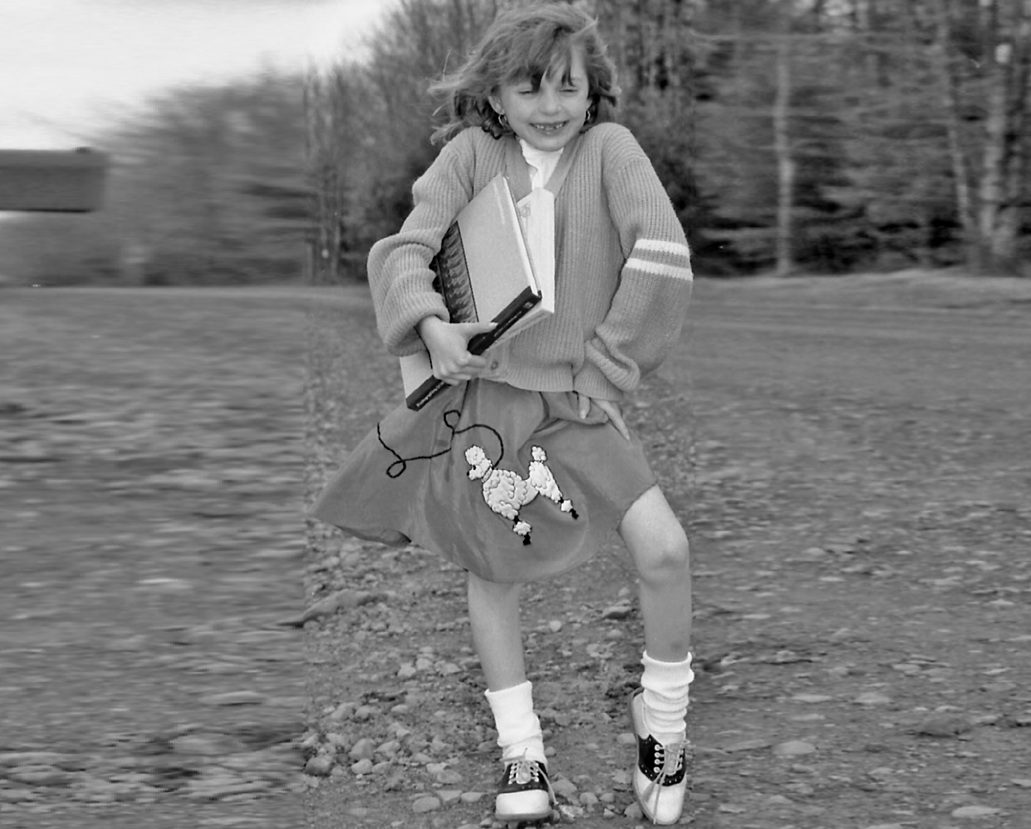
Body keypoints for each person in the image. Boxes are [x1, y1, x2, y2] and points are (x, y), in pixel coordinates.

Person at [311, 3, 694, 825]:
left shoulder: (610, 152)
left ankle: (662, 723)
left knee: (663, 548)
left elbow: (662, 253)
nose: (552, 105)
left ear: (595, 91)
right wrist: (430, 326)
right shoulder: (470, 154)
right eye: (530, 87)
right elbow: (407, 248)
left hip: (579, 395)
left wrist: (608, 366)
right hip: (489, 404)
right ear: (495, 91)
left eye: (569, 86)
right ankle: (523, 753)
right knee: (495, 573)